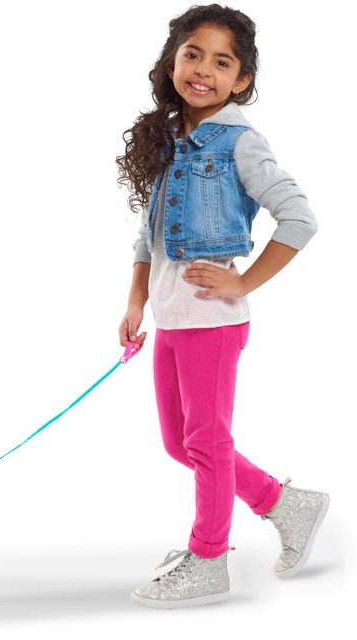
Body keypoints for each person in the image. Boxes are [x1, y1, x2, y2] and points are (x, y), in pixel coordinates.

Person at [116, 3, 329, 609]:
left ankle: (209, 559)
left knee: (207, 443)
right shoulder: (170, 140)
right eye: (193, 55)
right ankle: (285, 504)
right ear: (172, 63)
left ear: (242, 80)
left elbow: (300, 218)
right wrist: (135, 300)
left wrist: (243, 283)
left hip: (211, 320)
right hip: (170, 318)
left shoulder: (239, 142)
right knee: (180, 443)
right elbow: (148, 236)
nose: (203, 70)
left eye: (222, 61)